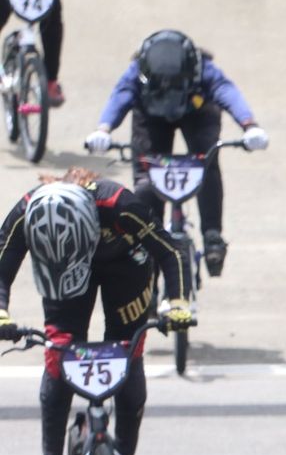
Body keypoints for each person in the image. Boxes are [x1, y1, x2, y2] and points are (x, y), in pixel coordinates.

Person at [0, 171, 189, 455]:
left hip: (125, 267)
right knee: (58, 353)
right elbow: (3, 259)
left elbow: (170, 250)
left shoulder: (120, 206)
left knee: (128, 354)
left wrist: (177, 303)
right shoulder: (28, 209)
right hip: (63, 271)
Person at [83, 31, 269, 278]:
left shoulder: (204, 70)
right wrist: (103, 129)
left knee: (207, 163)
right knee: (146, 180)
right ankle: (147, 240)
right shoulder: (137, 72)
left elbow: (226, 91)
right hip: (150, 118)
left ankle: (212, 234)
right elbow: (121, 94)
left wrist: (249, 125)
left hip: (198, 112)